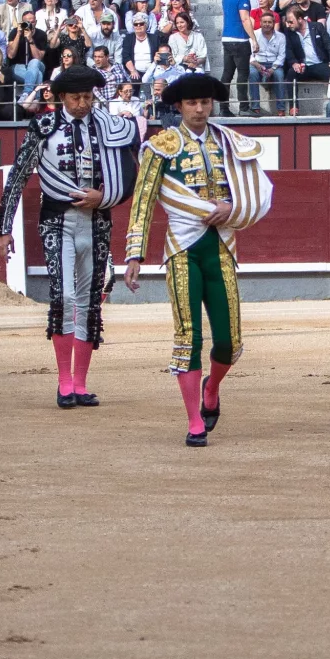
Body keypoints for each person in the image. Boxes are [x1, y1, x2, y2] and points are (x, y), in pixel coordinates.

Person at [124, 72, 274, 447]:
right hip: (181, 250)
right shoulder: (161, 146)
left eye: (205, 102)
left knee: (229, 342)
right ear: (178, 106)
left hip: (221, 247)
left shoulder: (230, 143)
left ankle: (213, 387)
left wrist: (233, 206)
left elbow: (248, 189)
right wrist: (134, 255)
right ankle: (193, 420)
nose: (200, 109)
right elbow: (143, 200)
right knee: (187, 336)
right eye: (192, 103)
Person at [0, 66, 139, 408]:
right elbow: (17, 177)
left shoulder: (106, 127)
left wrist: (102, 198)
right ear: (61, 97)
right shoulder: (44, 126)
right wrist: (2, 229)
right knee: (64, 298)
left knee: (90, 301)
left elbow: (127, 170)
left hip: (98, 219)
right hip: (57, 220)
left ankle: (80, 383)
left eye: (88, 97)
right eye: (76, 97)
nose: (82, 104)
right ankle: (63, 383)